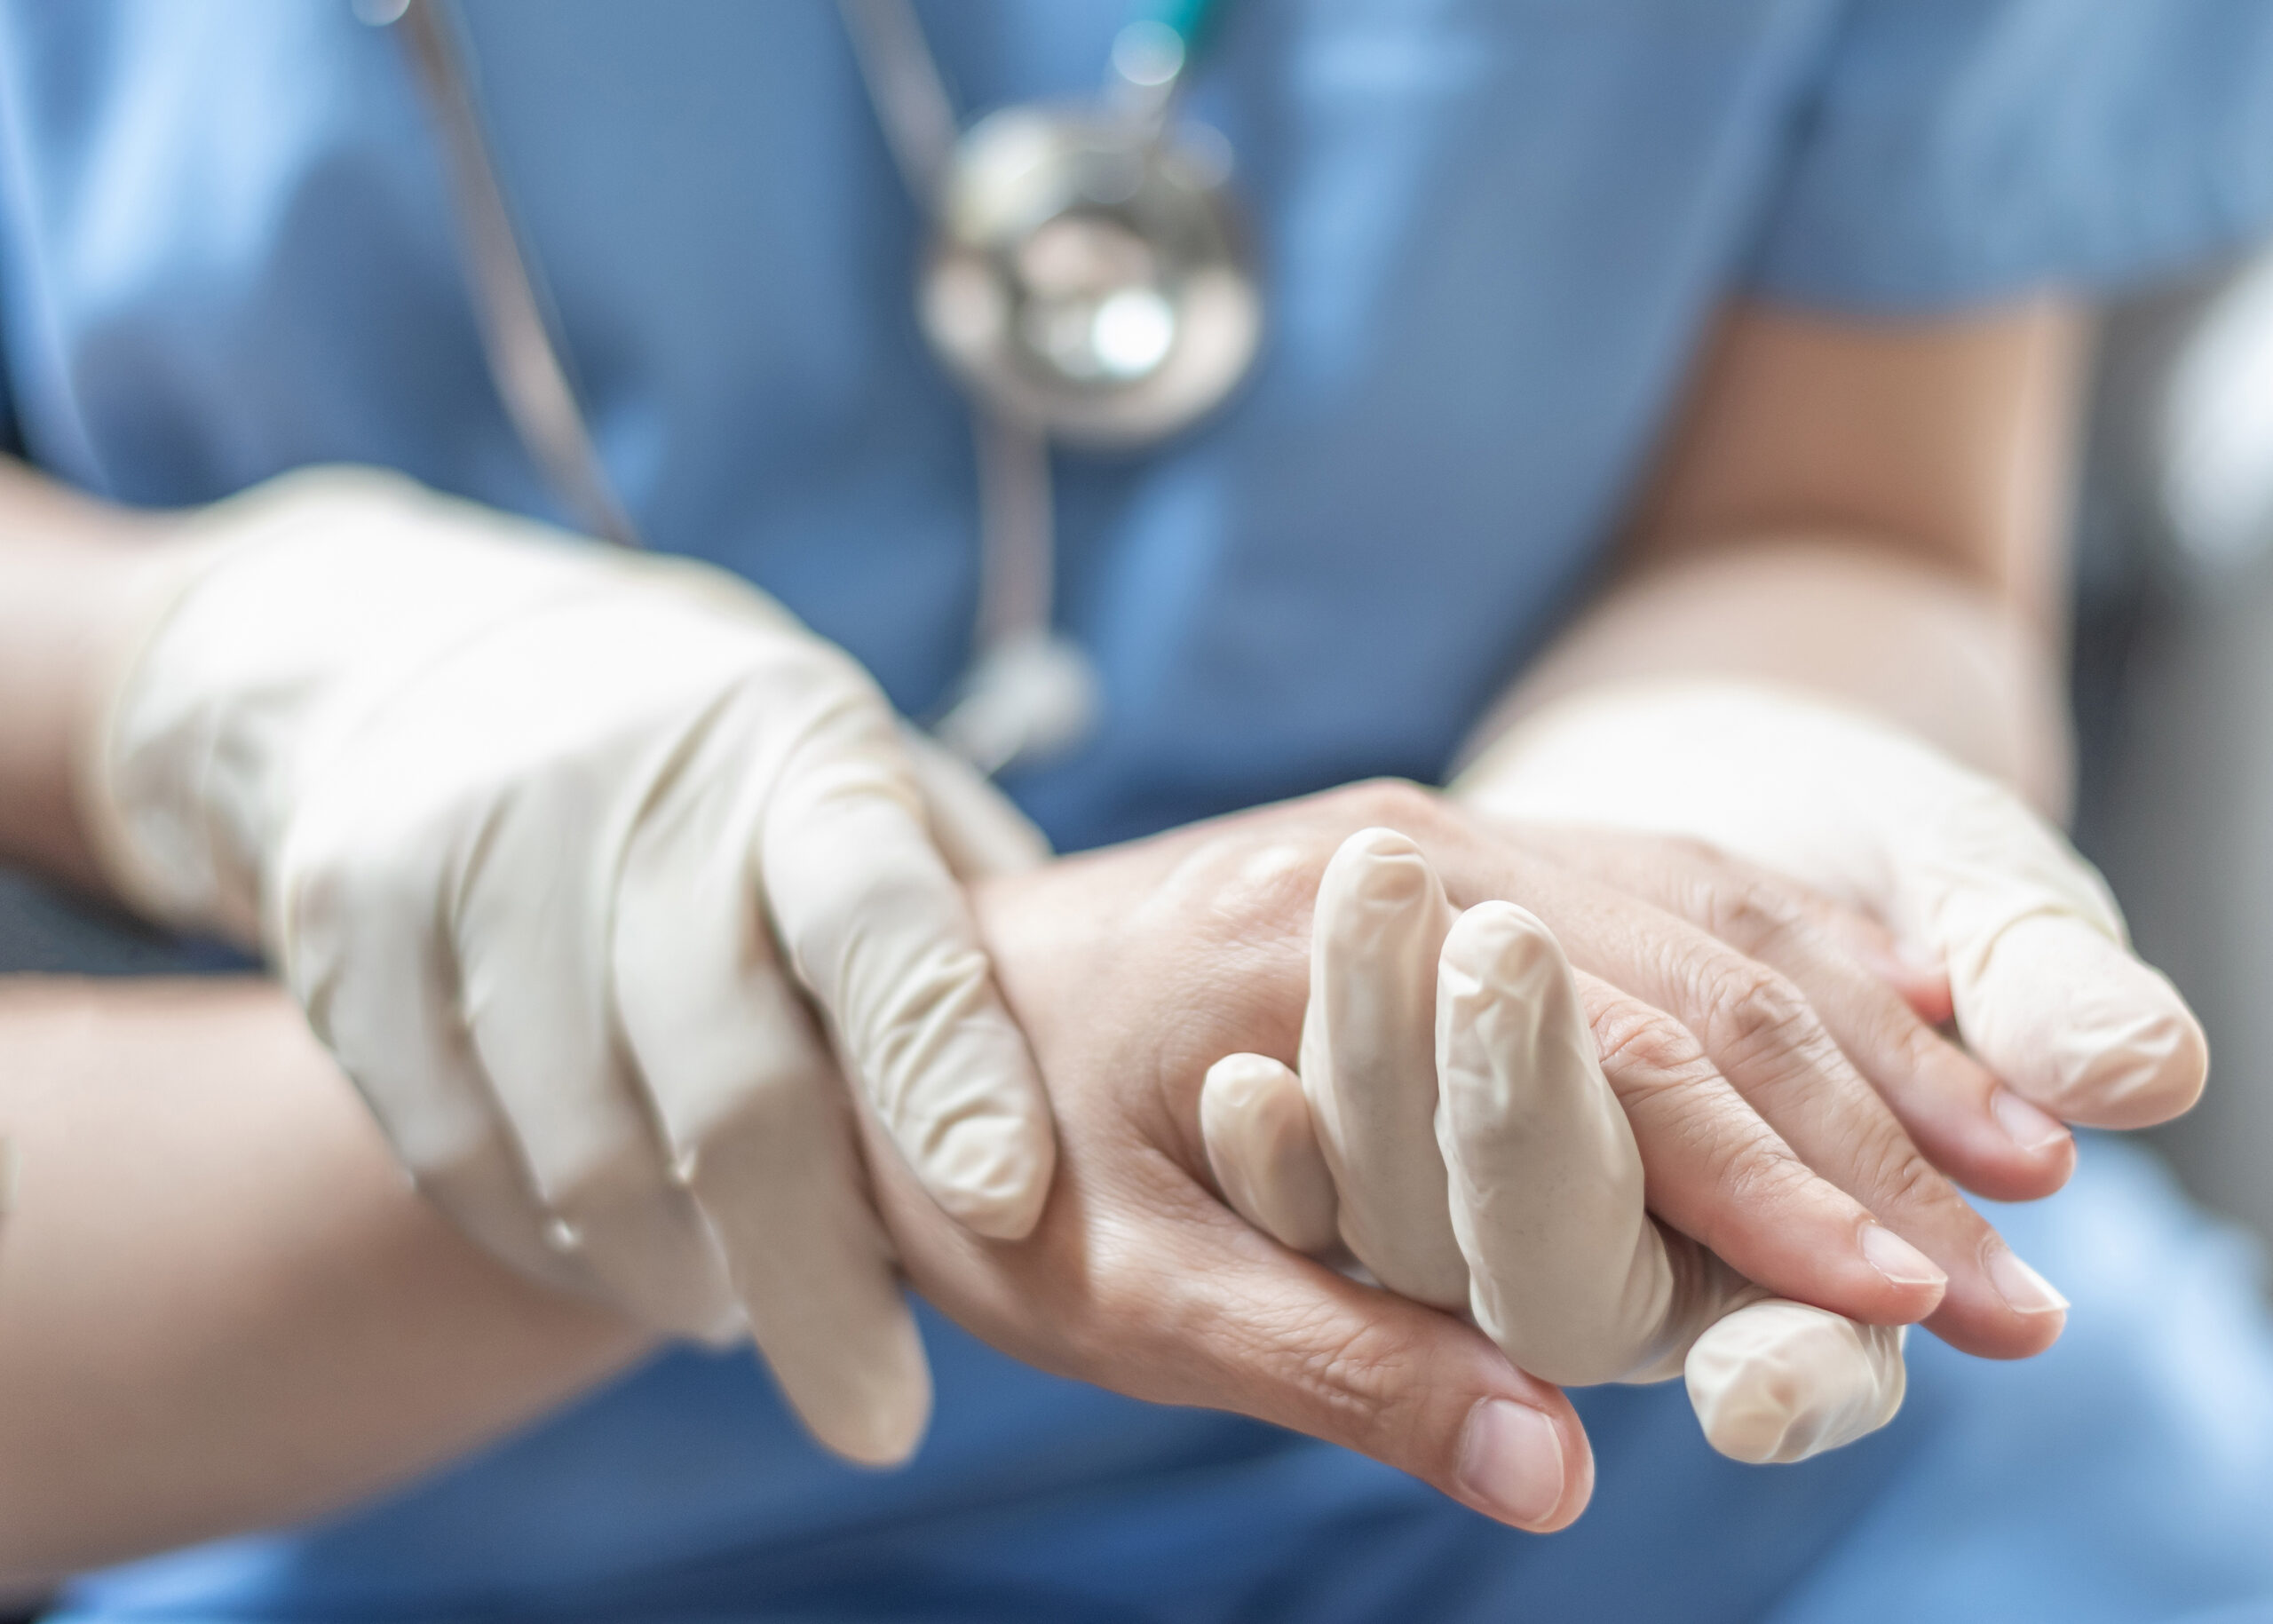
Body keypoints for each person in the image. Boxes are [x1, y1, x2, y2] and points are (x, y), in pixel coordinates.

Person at [2, 2, 2271, 1619]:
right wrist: (144, 665)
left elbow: (1846, 502)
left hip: (1759, 1504)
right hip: (364, 1398)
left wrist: (1716, 791)